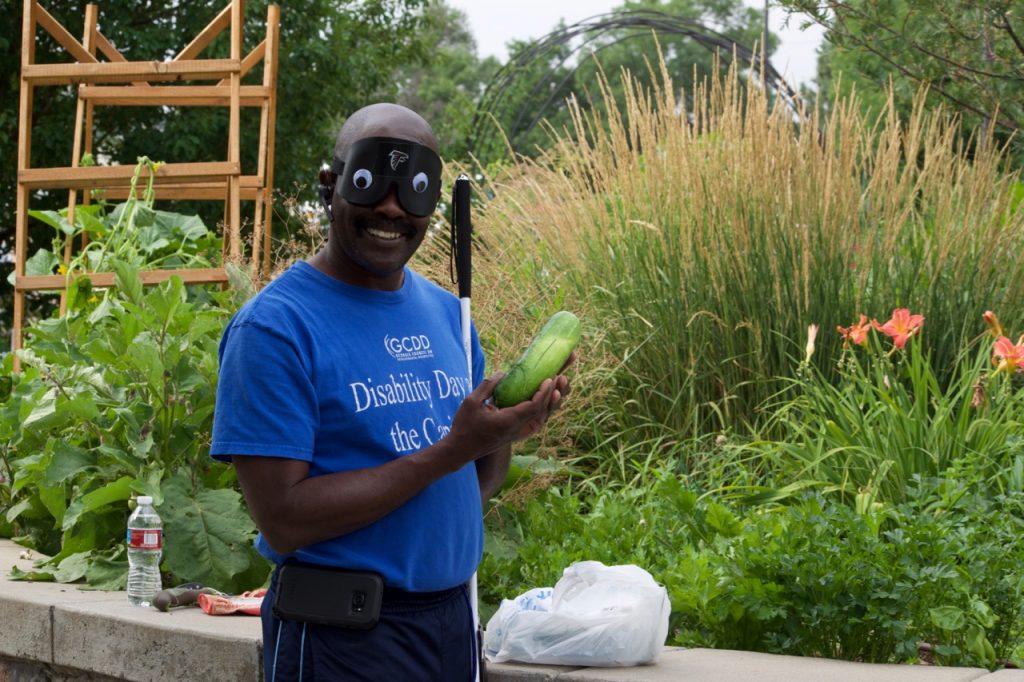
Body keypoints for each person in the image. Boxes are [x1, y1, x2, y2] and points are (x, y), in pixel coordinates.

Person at [210, 102, 571, 681]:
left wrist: (506, 430)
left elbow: (471, 484)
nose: (391, 207)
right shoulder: (275, 329)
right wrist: (451, 449)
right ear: (330, 187)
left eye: (414, 191)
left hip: (450, 625)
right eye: (370, 182)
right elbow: (283, 519)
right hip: (341, 641)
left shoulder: (447, 315)